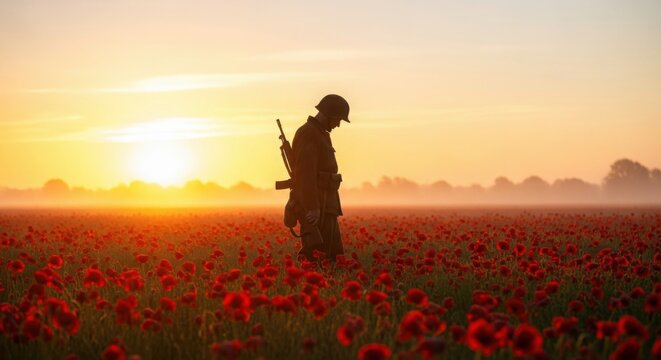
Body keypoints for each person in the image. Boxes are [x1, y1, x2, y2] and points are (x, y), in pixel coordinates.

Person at [290, 94, 350, 261]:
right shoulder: (308, 133)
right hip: (319, 205)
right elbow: (305, 174)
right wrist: (312, 207)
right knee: (318, 253)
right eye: (338, 119)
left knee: (331, 253)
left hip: (327, 203)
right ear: (328, 114)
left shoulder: (319, 133)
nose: (338, 124)